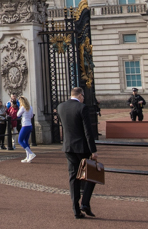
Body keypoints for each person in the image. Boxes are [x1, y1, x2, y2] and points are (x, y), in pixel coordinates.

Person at [58, 87, 98, 219]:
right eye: (83, 96)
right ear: (80, 95)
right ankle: (85, 203)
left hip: (68, 147)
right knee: (92, 176)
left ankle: (76, 209)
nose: (84, 98)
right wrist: (93, 150)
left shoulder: (61, 107)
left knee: (73, 178)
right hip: (82, 148)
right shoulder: (82, 108)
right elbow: (88, 131)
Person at [16, 96, 36, 163]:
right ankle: (28, 158)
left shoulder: (22, 107)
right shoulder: (30, 107)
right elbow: (31, 116)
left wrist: (20, 108)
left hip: (25, 125)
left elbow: (17, 115)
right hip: (30, 125)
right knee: (26, 141)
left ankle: (30, 153)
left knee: (20, 140)